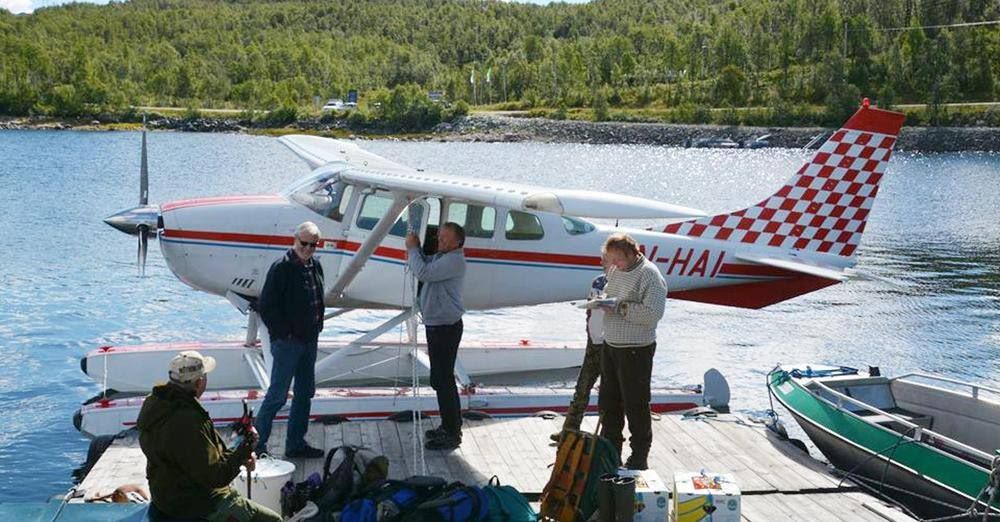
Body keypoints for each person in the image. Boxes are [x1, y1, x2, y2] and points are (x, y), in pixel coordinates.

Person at [136, 350, 281, 522]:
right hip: (196, 504)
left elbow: (197, 457)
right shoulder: (188, 420)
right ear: (199, 382)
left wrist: (237, 446)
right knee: (274, 520)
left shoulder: (155, 403)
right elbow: (216, 477)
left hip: (165, 496)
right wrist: (245, 447)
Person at [254, 221, 326, 459]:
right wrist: (284, 333)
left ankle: (295, 443)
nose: (307, 248)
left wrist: (317, 327)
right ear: (294, 240)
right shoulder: (281, 268)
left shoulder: (315, 266)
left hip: (309, 340)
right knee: (277, 395)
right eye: (303, 243)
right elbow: (266, 306)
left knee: (305, 393)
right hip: (288, 343)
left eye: (312, 245)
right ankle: (256, 444)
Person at [597, 233, 667, 470]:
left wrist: (620, 307)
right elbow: (611, 294)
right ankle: (610, 452)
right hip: (611, 345)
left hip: (636, 349)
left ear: (632, 253)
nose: (614, 265)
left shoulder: (649, 274)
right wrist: (602, 302)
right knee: (608, 403)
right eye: (611, 260)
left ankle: (639, 457)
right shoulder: (616, 270)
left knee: (635, 404)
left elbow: (652, 314)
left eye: (618, 260)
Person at [405, 222, 467, 450]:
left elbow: (423, 272)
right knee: (440, 379)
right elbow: (425, 264)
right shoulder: (442, 257)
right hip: (437, 325)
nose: (439, 242)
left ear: (457, 242)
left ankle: (453, 432)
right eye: (439, 237)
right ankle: (447, 426)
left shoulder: (453, 260)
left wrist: (412, 249)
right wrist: (418, 249)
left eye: (444, 239)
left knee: (444, 380)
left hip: (445, 327)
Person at [551, 259, 609, 442]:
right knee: (581, 388)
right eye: (604, 259)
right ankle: (569, 430)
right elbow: (590, 311)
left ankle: (607, 435)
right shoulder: (598, 281)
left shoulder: (622, 283)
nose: (604, 262)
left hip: (609, 344)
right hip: (593, 341)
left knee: (608, 393)